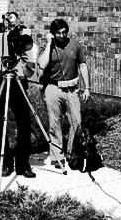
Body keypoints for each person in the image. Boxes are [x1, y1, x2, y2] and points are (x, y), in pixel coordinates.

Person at [0, 11, 38, 178]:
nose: (9, 22)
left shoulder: (26, 41)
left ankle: (23, 163)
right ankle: (5, 162)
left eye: (13, 19)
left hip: (18, 83)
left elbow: (29, 72)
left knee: (24, 122)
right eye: (7, 19)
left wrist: (23, 62)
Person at [37, 18, 91, 168]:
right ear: (53, 33)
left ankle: (71, 152)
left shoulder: (74, 44)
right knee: (54, 123)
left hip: (72, 88)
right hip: (53, 87)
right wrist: (49, 43)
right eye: (59, 33)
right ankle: (57, 157)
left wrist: (87, 87)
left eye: (65, 32)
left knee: (77, 121)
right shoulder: (48, 47)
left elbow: (83, 65)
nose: (62, 35)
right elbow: (42, 64)